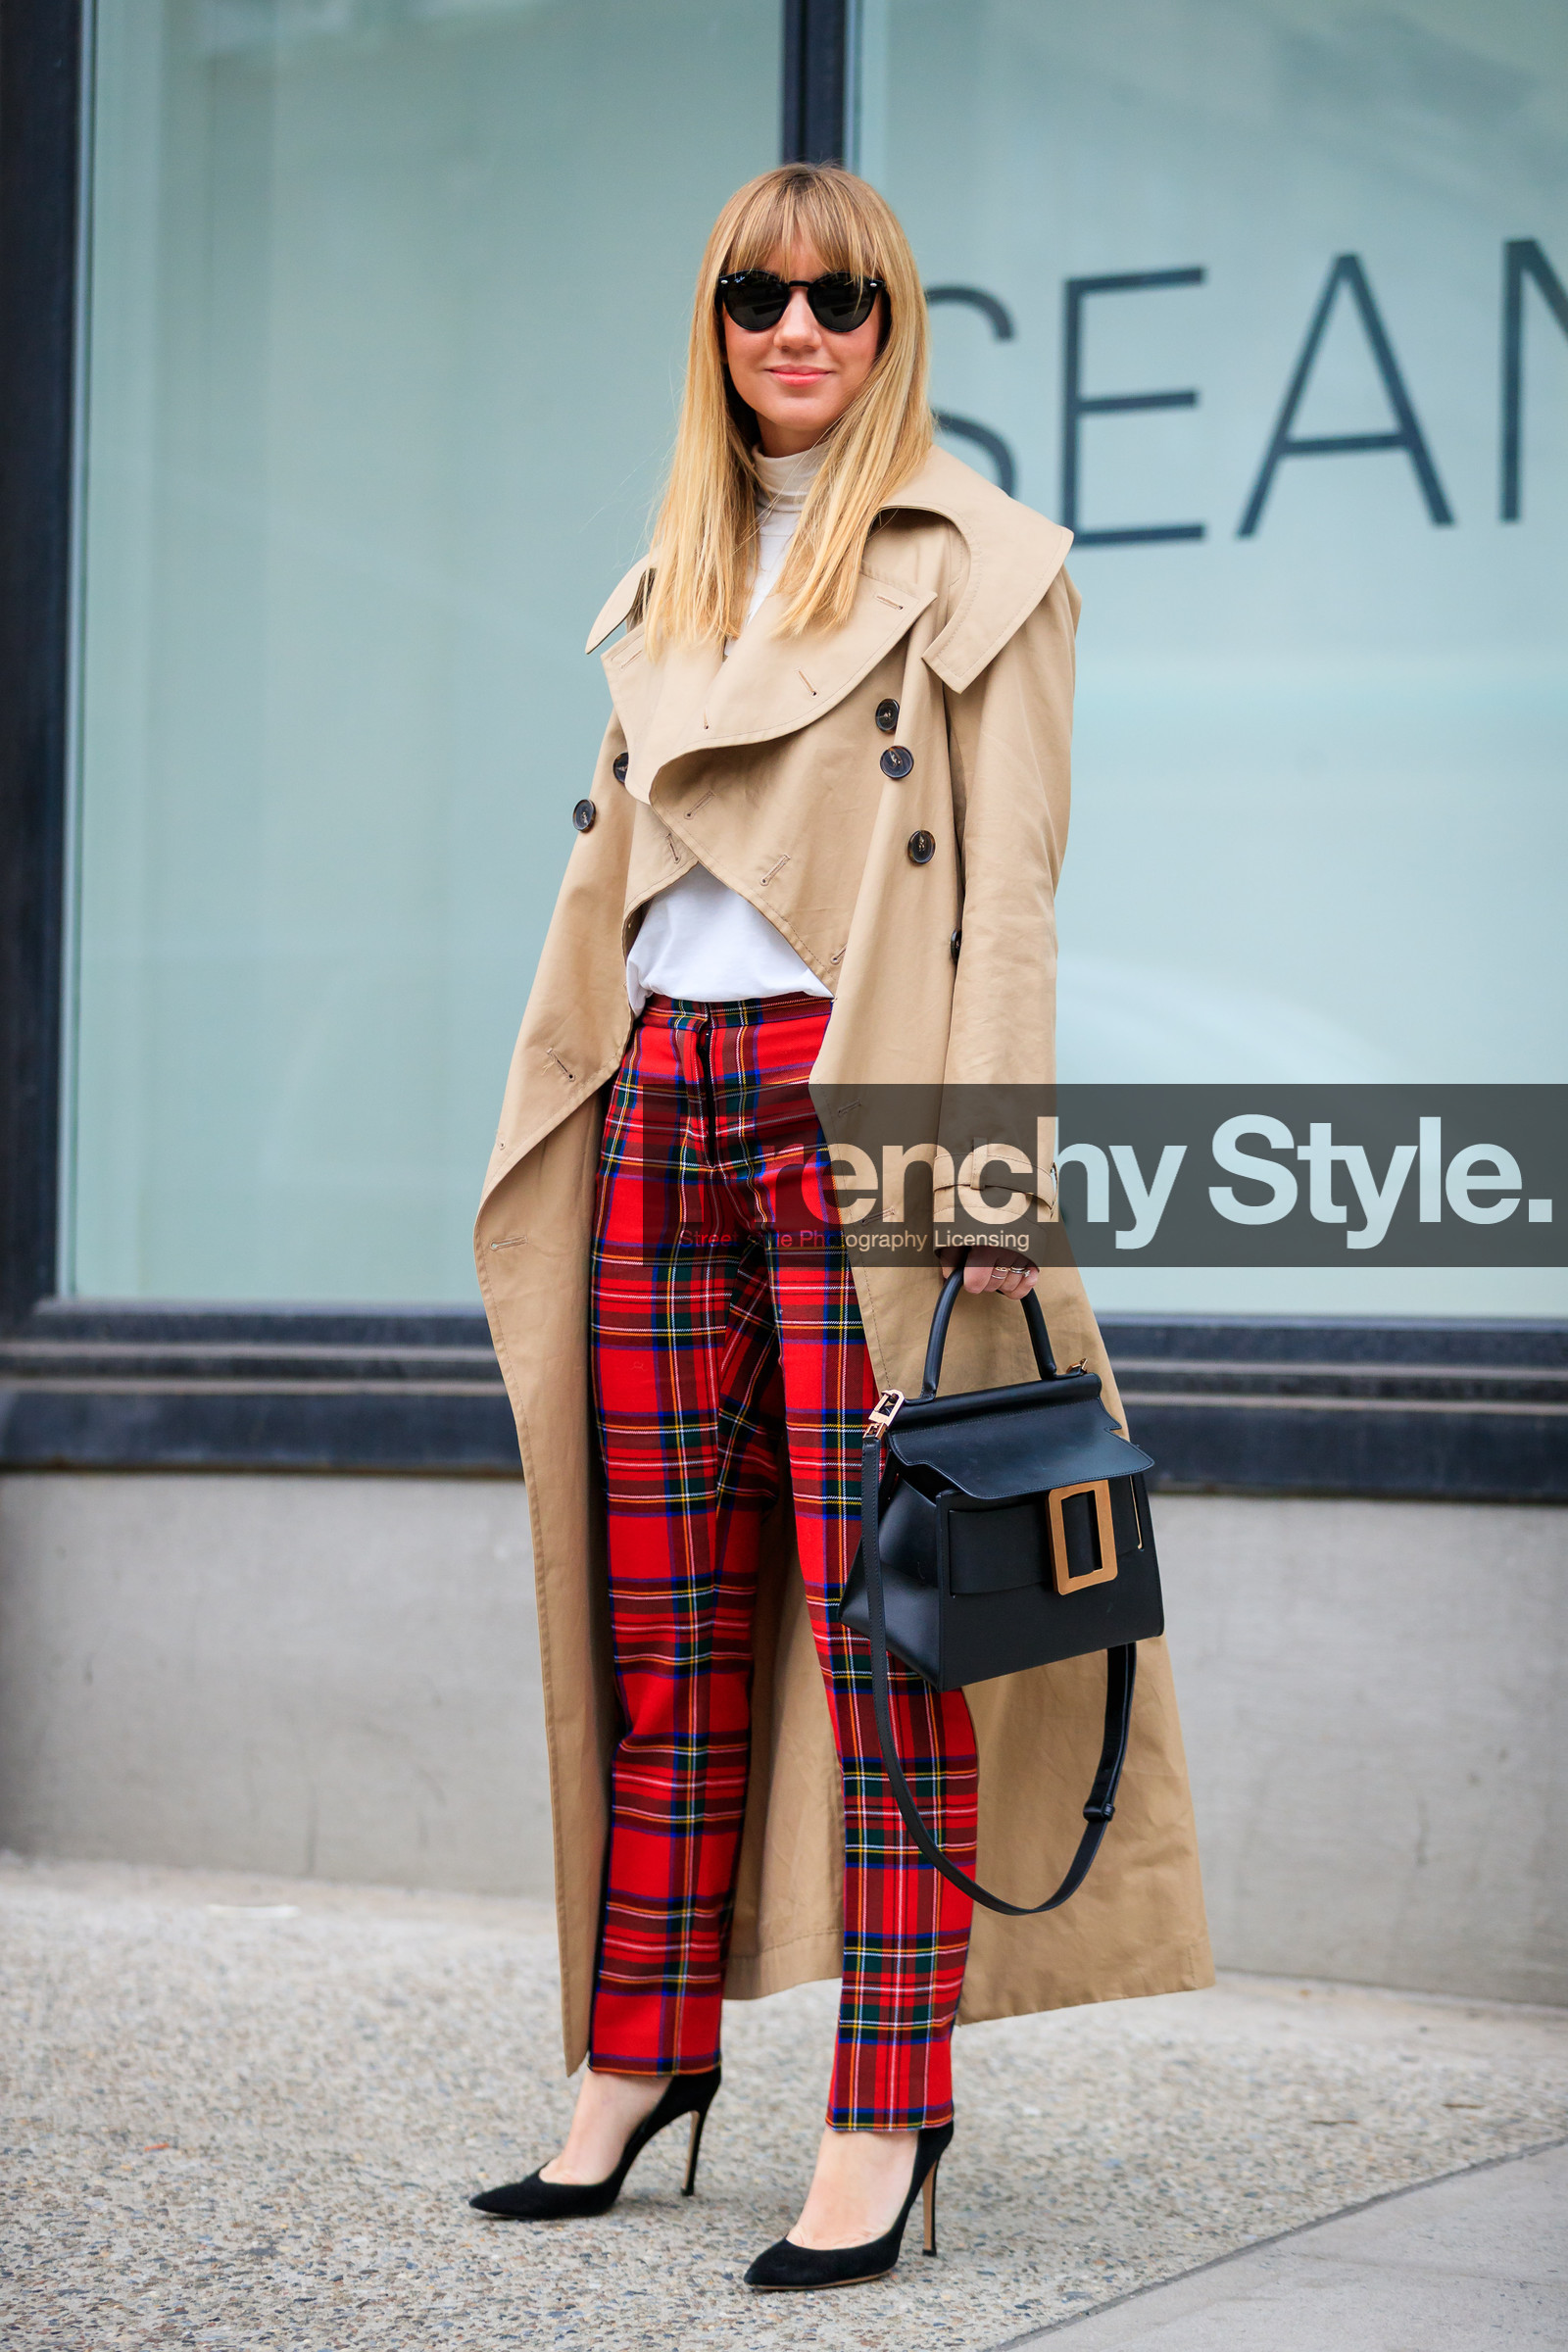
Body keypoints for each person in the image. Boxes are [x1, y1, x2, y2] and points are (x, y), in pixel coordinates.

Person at [470, 164, 1210, 2292]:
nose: (796, 330)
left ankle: (887, 2108)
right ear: (709, 323)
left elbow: (1010, 895)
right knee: (658, 1633)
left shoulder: (988, 567)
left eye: (842, 298)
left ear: (894, 323)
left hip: (847, 1112)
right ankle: (635, 2064)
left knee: (893, 1632)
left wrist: (973, 1171)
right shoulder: (662, 588)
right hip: (655, 1110)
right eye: (754, 294)